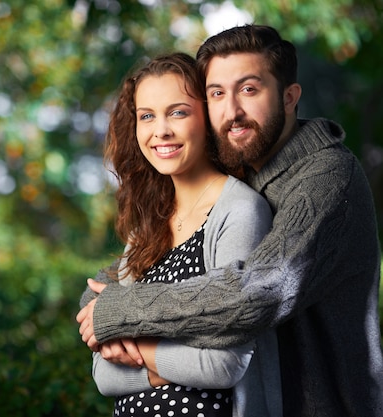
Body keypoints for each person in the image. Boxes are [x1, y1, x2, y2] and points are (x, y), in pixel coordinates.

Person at [77, 25, 383, 417]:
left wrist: (120, 312)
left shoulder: (326, 177)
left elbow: (255, 293)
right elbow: (116, 281)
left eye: (249, 89)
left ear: (290, 97)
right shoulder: (245, 169)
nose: (232, 111)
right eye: (217, 93)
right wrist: (97, 305)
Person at [88, 52, 281, 417]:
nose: (160, 130)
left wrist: (138, 350)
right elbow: (103, 375)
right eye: (147, 116)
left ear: (206, 119)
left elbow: (223, 365)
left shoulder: (240, 212)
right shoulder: (148, 227)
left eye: (177, 112)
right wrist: (173, 363)